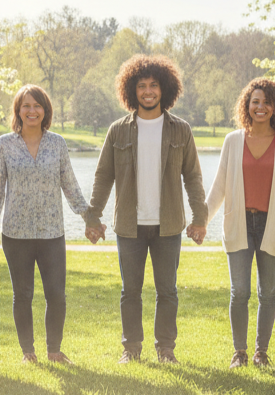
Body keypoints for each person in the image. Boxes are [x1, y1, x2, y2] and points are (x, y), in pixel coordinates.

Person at [84, 55, 207, 364]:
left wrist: (200, 218)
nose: (148, 91)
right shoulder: (118, 130)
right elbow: (103, 176)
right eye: (141, 86)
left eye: (154, 85)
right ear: (132, 90)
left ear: (165, 89)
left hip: (168, 226)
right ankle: (131, 349)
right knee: (130, 292)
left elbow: (193, 176)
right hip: (129, 226)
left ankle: (166, 349)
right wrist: (93, 217)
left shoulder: (181, 130)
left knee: (168, 291)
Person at [0, 85, 88, 364]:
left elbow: (70, 185)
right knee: (22, 294)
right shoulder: (4, 144)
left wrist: (88, 217)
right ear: (18, 110)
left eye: (37, 106)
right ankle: (27, 353)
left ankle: (54, 351)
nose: (32, 111)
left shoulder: (57, 143)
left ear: (45, 110)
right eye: (26, 106)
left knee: (56, 295)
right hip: (15, 234)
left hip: (51, 233)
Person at [204, 78, 275, 369]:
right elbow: (219, 186)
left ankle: (261, 353)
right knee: (240, 291)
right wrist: (201, 221)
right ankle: (240, 352)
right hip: (239, 222)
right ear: (247, 105)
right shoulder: (233, 140)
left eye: (267, 102)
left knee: (267, 293)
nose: (261, 107)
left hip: (273, 224)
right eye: (255, 101)